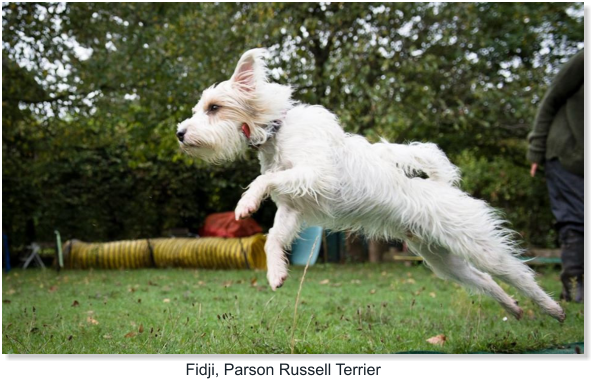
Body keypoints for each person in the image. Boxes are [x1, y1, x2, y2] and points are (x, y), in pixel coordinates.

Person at [528, 50, 584, 303]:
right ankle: (574, 288)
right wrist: (536, 150)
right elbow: (550, 99)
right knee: (575, 221)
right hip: (566, 153)